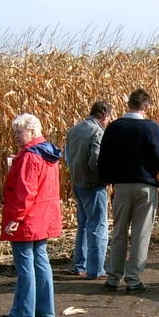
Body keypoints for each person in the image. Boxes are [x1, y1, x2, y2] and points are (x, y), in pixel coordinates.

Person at [97, 88, 159, 293]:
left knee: (119, 232)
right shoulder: (151, 128)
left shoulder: (114, 127)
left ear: (128, 104)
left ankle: (113, 277)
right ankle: (133, 279)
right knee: (141, 234)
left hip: (121, 187)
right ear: (146, 107)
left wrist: (109, 179)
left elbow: (103, 160)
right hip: (145, 187)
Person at [0, 113, 62, 317]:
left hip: (28, 217)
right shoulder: (48, 153)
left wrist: (16, 218)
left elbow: (25, 191)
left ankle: (23, 312)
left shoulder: (29, 156)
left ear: (33, 131)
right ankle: (44, 310)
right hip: (44, 216)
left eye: (20, 132)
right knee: (41, 261)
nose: (16, 136)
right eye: (14, 132)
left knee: (25, 264)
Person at [65, 100, 113, 279]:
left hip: (77, 183)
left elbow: (68, 157)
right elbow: (96, 160)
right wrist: (105, 179)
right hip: (93, 185)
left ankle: (80, 265)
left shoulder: (74, 129)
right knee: (98, 227)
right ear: (105, 115)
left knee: (83, 226)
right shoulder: (97, 131)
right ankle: (96, 270)